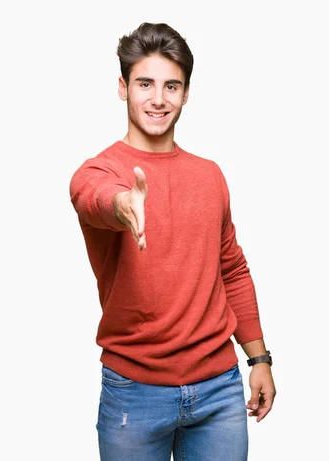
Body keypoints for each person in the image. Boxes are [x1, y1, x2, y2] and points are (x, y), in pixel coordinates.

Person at [69, 22, 276, 461]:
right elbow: (93, 200)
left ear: (186, 93)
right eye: (145, 83)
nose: (159, 99)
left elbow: (232, 269)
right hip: (135, 394)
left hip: (220, 390)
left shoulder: (210, 175)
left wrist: (259, 358)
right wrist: (124, 203)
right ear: (123, 88)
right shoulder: (99, 173)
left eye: (172, 86)